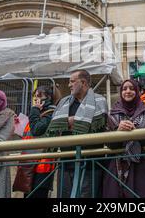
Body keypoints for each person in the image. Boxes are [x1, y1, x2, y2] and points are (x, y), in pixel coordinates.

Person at [44, 70, 108, 198]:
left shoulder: (99, 101)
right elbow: (53, 127)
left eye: (72, 81)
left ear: (83, 82)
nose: (69, 85)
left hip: (91, 163)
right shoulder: (64, 102)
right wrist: (70, 121)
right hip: (66, 162)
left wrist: (72, 122)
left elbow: (100, 128)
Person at [102, 79, 145, 198]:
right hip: (117, 167)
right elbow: (109, 143)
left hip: (143, 166)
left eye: (131, 89)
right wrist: (118, 132)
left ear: (138, 91)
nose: (128, 91)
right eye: (124, 89)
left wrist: (137, 132)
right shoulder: (112, 114)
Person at [16, 86, 56, 198]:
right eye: (35, 96)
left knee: (37, 194)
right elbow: (28, 135)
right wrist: (19, 125)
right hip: (28, 162)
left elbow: (37, 130)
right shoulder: (37, 112)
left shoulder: (51, 112)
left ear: (48, 97)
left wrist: (34, 110)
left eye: (39, 96)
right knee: (27, 194)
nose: (36, 99)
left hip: (42, 165)